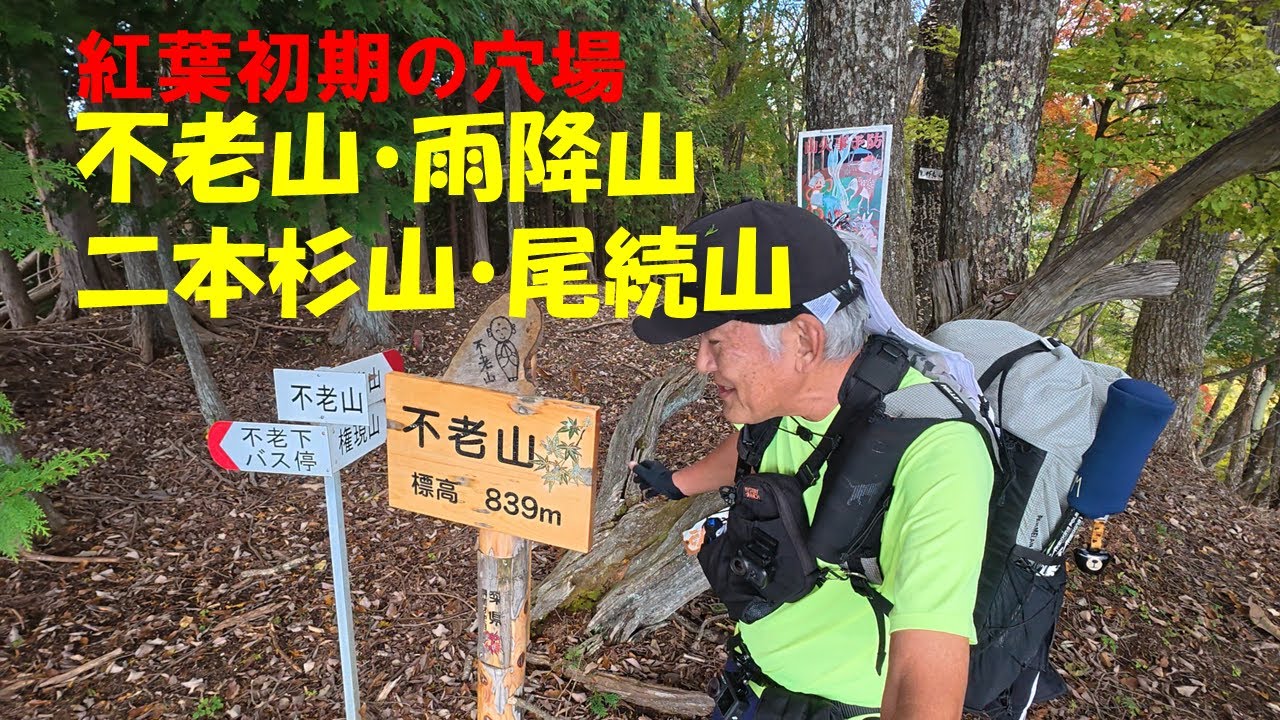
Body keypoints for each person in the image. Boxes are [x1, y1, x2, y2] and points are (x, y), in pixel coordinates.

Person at [628, 200, 993, 720]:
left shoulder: (936, 452)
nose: (702, 362)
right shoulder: (786, 400)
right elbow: (751, 444)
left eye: (716, 341)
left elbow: (925, 667)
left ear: (803, 340)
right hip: (751, 685)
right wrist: (678, 483)